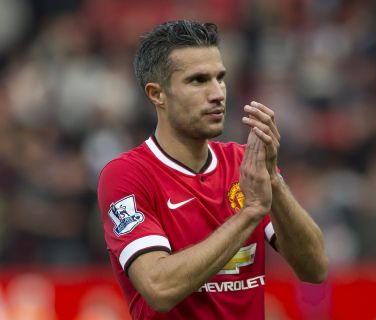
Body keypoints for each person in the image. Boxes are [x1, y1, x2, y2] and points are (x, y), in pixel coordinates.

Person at [97, 19, 328, 320]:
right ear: (157, 94)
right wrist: (250, 212)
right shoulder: (127, 175)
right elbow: (159, 288)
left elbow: (315, 268)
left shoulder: (244, 164)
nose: (218, 93)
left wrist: (273, 180)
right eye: (198, 80)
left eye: (220, 78)